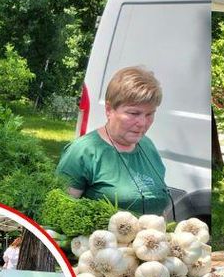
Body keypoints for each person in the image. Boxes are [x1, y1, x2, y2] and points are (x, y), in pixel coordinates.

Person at [56, 66, 170, 215]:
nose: (143, 123)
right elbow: (59, 213)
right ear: (109, 109)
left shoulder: (147, 146)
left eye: (149, 114)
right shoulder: (83, 152)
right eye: (134, 113)